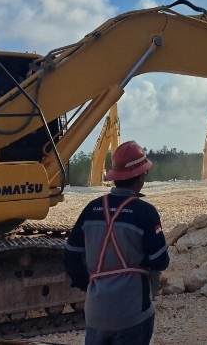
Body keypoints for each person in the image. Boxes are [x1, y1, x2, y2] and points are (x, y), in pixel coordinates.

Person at [64, 140, 169, 345]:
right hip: (132, 314)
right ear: (140, 177)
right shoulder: (144, 212)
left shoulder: (91, 209)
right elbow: (160, 261)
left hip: (96, 314)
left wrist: (95, 285)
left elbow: (70, 258)